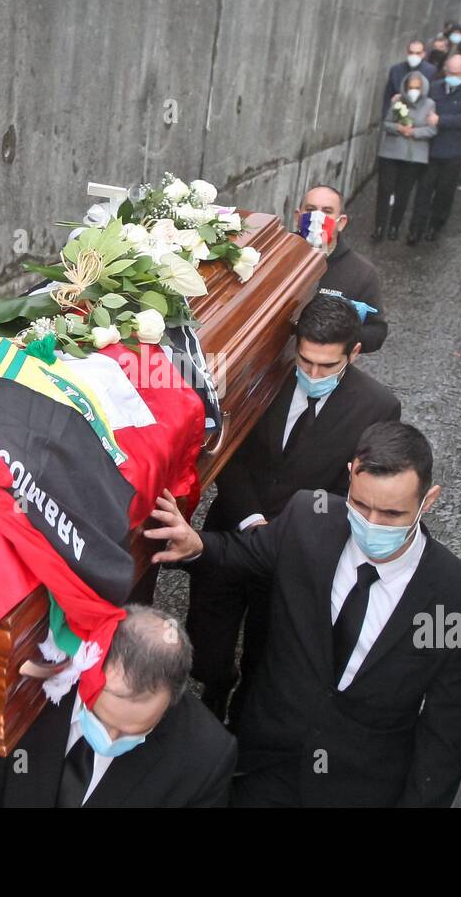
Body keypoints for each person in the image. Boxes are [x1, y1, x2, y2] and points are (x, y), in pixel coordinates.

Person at [148, 421, 461, 807]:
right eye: (360, 505)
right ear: (350, 475)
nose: (372, 524)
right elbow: (244, 554)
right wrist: (197, 546)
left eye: (392, 514)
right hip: (263, 768)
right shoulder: (307, 519)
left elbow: (447, 734)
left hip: (359, 789)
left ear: (428, 501)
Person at [185, 296, 402, 722]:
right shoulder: (261, 376)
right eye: (305, 361)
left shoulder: (378, 406)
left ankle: (245, 720)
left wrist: (288, 531)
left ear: (353, 353)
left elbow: (355, 488)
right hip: (234, 529)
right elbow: (230, 453)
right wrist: (251, 520)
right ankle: (215, 684)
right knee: (207, 640)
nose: (313, 374)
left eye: (327, 366)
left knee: (269, 652)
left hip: (299, 553)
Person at [0, 605, 237, 807]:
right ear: (88, 670)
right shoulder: (20, 680)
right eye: (100, 717)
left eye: (131, 732)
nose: (109, 738)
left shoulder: (205, 759)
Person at [291, 184, 387, 353]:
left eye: (327, 211)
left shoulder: (362, 273)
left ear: (341, 222)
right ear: (298, 217)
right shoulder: (277, 256)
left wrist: (337, 335)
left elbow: (377, 332)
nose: (317, 217)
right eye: (311, 209)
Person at [408, 54, 461, 245]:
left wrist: (441, 120)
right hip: (431, 149)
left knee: (444, 192)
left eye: (457, 73)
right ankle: (416, 228)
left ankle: (436, 225)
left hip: (454, 152)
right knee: (423, 190)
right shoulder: (434, 88)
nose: (452, 75)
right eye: (450, 71)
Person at [374, 71, 438, 242]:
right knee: (385, 189)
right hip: (391, 152)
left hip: (413, 155)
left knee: (404, 192)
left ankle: (395, 225)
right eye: (410, 87)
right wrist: (399, 128)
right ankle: (379, 225)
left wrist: (414, 132)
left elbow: (433, 128)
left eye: (417, 87)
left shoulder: (430, 104)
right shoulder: (398, 100)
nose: (413, 90)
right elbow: (386, 123)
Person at [382, 39, 437, 119]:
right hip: (398, 114)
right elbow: (388, 95)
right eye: (411, 52)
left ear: (423, 54)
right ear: (407, 53)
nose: (414, 56)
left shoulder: (431, 71)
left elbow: (432, 95)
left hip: (419, 115)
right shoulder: (396, 70)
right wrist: (385, 116)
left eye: (418, 53)